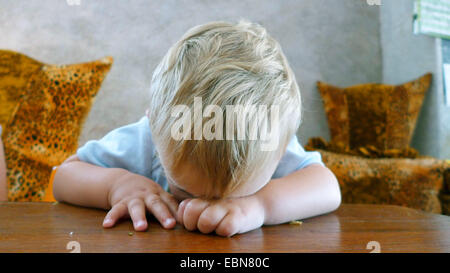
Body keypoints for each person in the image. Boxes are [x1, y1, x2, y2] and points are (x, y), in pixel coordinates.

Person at [52, 20, 341, 237]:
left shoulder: (266, 139)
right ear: (155, 125)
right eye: (184, 190)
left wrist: (259, 205)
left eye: (235, 194)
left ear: (280, 150)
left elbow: (328, 188)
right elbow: (62, 177)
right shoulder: (146, 138)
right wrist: (117, 186)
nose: (203, 207)